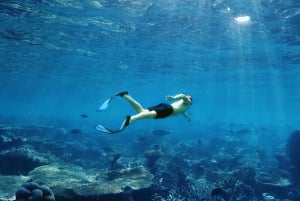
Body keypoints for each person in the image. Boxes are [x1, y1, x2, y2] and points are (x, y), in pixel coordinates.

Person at [96, 91, 192, 134]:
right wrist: (173, 98)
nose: (188, 98)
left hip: (165, 106)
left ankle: (125, 95)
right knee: (151, 115)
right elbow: (182, 96)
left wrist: (188, 118)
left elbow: (183, 113)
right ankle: (132, 119)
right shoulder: (188, 102)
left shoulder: (184, 108)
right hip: (168, 110)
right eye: (188, 98)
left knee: (141, 111)